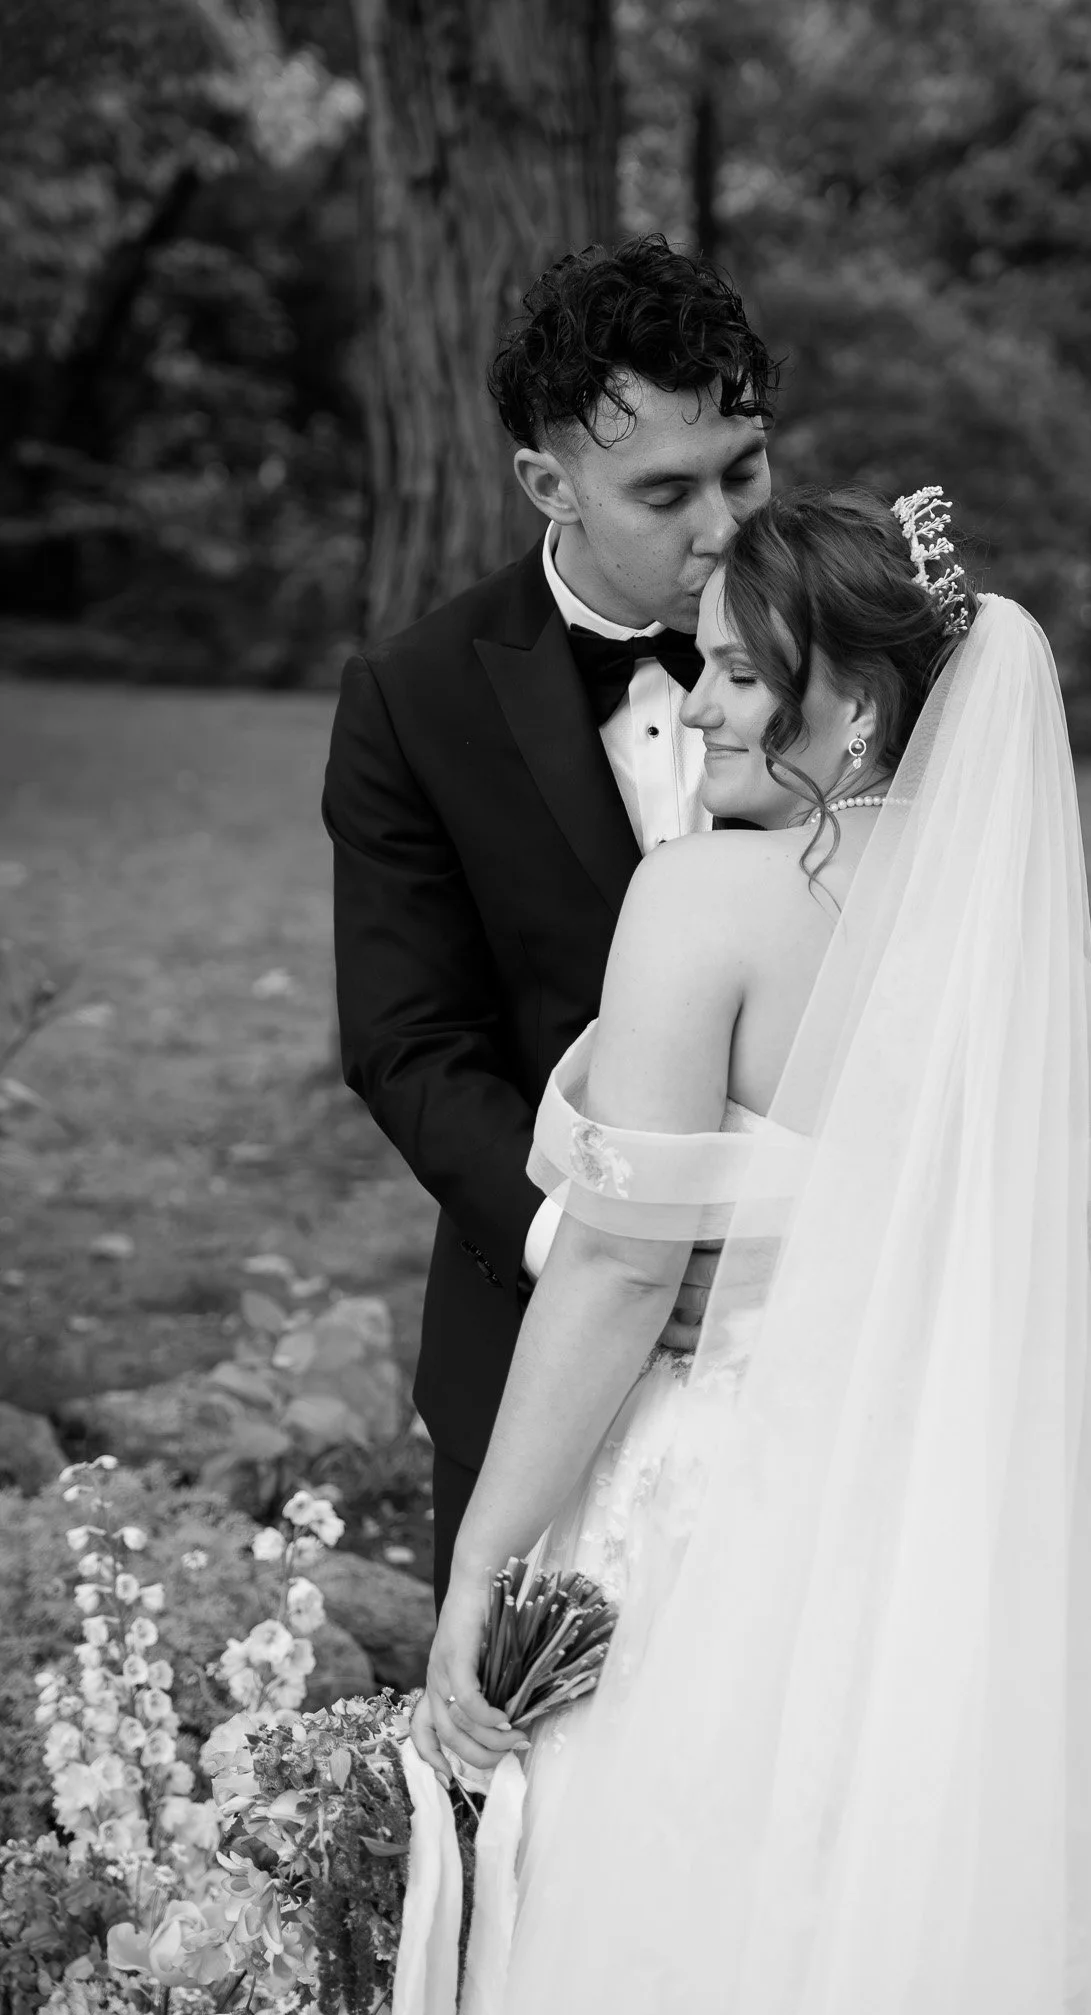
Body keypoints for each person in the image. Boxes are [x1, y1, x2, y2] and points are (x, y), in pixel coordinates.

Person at [403, 487, 1091, 2015]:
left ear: (861, 708)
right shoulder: (1036, 968)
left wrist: (481, 1562)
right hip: (952, 1537)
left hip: (715, 1514)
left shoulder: (700, 902)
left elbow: (615, 1275)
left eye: (744, 673)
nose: (699, 703)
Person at [321, 235, 776, 1604]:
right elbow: (409, 1046)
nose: (725, 530)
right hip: (533, 1347)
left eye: (746, 470)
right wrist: (592, 1246)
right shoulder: (416, 699)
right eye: (665, 492)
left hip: (823, 1350)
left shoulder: (868, 651)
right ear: (548, 485)